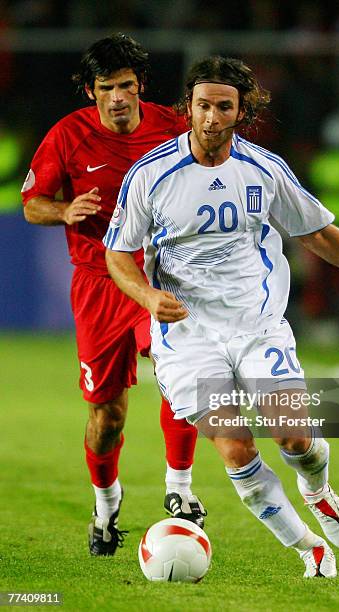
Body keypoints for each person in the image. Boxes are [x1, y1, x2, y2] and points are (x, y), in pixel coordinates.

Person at [104, 56, 339, 577]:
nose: (211, 117)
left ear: (241, 112)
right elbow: (117, 253)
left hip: (257, 327)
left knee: (294, 438)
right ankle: (308, 549)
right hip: (187, 337)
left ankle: (317, 489)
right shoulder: (150, 176)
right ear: (187, 107)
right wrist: (146, 297)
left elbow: (318, 234)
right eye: (202, 105)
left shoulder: (263, 169)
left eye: (223, 107)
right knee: (235, 448)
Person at [21, 34, 206, 557]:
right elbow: (32, 203)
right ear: (90, 91)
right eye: (108, 87)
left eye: (127, 85)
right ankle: (105, 509)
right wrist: (63, 210)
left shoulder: (174, 129)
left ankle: (181, 491)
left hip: (161, 275)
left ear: (141, 86)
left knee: (181, 376)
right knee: (108, 415)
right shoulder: (67, 136)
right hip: (99, 282)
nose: (119, 96)